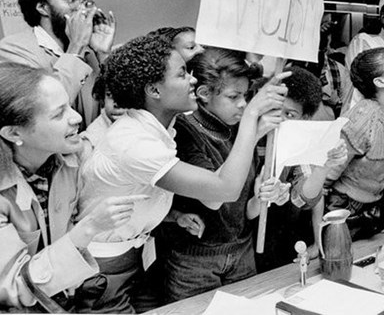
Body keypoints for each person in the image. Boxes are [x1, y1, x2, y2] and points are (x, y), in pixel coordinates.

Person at [74, 35, 289, 313]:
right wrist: (251, 117)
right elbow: (223, 190)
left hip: (139, 253)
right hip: (105, 264)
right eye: (181, 74)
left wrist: (175, 216)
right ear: (154, 90)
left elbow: (138, 194)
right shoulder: (133, 141)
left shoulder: (162, 127)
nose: (192, 80)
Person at [0, 63, 138, 311]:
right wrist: (88, 229)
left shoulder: (70, 160)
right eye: (58, 114)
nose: (76, 118)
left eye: (70, 106)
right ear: (13, 133)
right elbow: (15, 288)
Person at [156, 47, 288, 303]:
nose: (243, 104)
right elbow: (214, 198)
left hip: (242, 249)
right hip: (195, 261)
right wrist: (253, 128)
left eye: (247, 95)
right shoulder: (184, 130)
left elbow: (246, 209)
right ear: (204, 94)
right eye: (233, 96)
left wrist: (265, 196)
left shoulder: (241, 127)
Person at [0, 0, 116, 129]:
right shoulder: (13, 49)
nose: (82, 9)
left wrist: (104, 54)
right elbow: (44, 110)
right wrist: (76, 47)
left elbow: (118, 106)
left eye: (84, 2)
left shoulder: (90, 54)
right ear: (42, 7)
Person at [256, 66, 348, 271]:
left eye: (289, 114)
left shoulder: (298, 145)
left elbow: (303, 198)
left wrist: (324, 167)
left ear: (304, 120)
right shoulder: (246, 132)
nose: (278, 119)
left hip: (276, 238)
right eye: (274, 109)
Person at [326, 47, 384, 240]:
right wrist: (320, 230)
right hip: (342, 208)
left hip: (375, 207)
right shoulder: (360, 122)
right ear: (380, 81)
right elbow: (325, 178)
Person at [82, 68, 126, 149]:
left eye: (125, 95)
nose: (117, 103)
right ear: (102, 98)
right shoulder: (91, 140)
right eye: (110, 95)